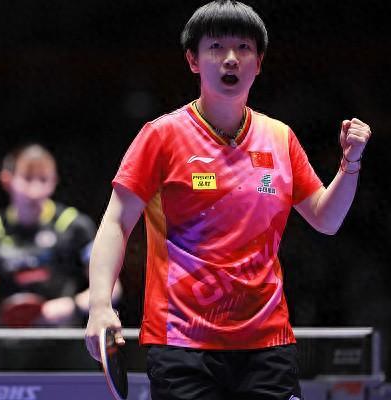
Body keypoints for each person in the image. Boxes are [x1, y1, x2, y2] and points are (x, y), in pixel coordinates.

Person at [84, 1, 372, 399]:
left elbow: (326, 218)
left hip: (267, 343)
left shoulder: (280, 137)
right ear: (193, 60)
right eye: (216, 47)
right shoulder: (161, 136)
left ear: (259, 63)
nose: (231, 58)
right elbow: (116, 221)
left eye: (244, 48)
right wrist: (100, 304)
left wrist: (350, 163)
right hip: (182, 342)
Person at [0, 143, 121, 326]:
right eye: (27, 178)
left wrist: (73, 305)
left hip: (63, 336)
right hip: (7, 338)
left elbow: (113, 289)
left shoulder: (74, 227)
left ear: (54, 181)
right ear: (7, 180)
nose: (35, 190)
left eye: (43, 180)